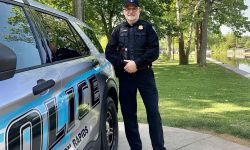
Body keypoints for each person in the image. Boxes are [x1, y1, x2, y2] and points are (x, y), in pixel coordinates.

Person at [105, 0, 166, 150]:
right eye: (128, 9)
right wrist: (124, 65)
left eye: (134, 9)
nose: (131, 12)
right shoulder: (118, 30)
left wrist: (136, 64)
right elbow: (109, 53)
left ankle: (159, 147)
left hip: (145, 75)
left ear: (139, 10)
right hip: (126, 77)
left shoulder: (148, 27)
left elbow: (154, 51)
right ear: (124, 11)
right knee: (129, 115)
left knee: (153, 113)